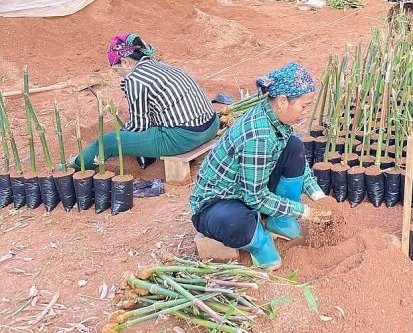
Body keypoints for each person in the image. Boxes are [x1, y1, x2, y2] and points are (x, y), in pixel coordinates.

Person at [189, 62, 332, 270]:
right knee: (236, 224)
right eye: (304, 106)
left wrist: (318, 196)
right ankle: (260, 242)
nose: (305, 113)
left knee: (294, 146)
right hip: (217, 202)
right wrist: (303, 211)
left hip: (245, 189)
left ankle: (280, 221)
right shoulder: (259, 136)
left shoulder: (277, 118)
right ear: (282, 101)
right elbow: (255, 197)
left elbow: (299, 165)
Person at [70, 34, 219, 171]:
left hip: (185, 138)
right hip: (211, 126)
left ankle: (75, 165)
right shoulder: (163, 66)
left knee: (109, 141)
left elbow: (139, 126)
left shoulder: (135, 79)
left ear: (125, 62)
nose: (119, 75)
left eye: (116, 70)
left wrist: (124, 132)